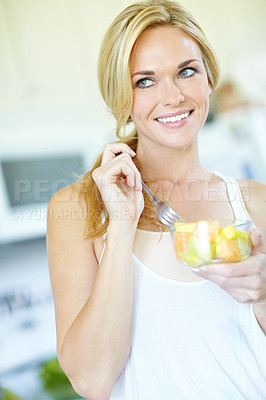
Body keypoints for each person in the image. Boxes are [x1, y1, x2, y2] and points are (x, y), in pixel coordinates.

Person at [46, 1, 266, 399]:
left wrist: (264, 295)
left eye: (186, 71)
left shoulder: (256, 203)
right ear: (122, 96)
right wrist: (122, 224)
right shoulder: (78, 209)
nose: (174, 96)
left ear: (209, 80)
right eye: (145, 81)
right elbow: (92, 381)